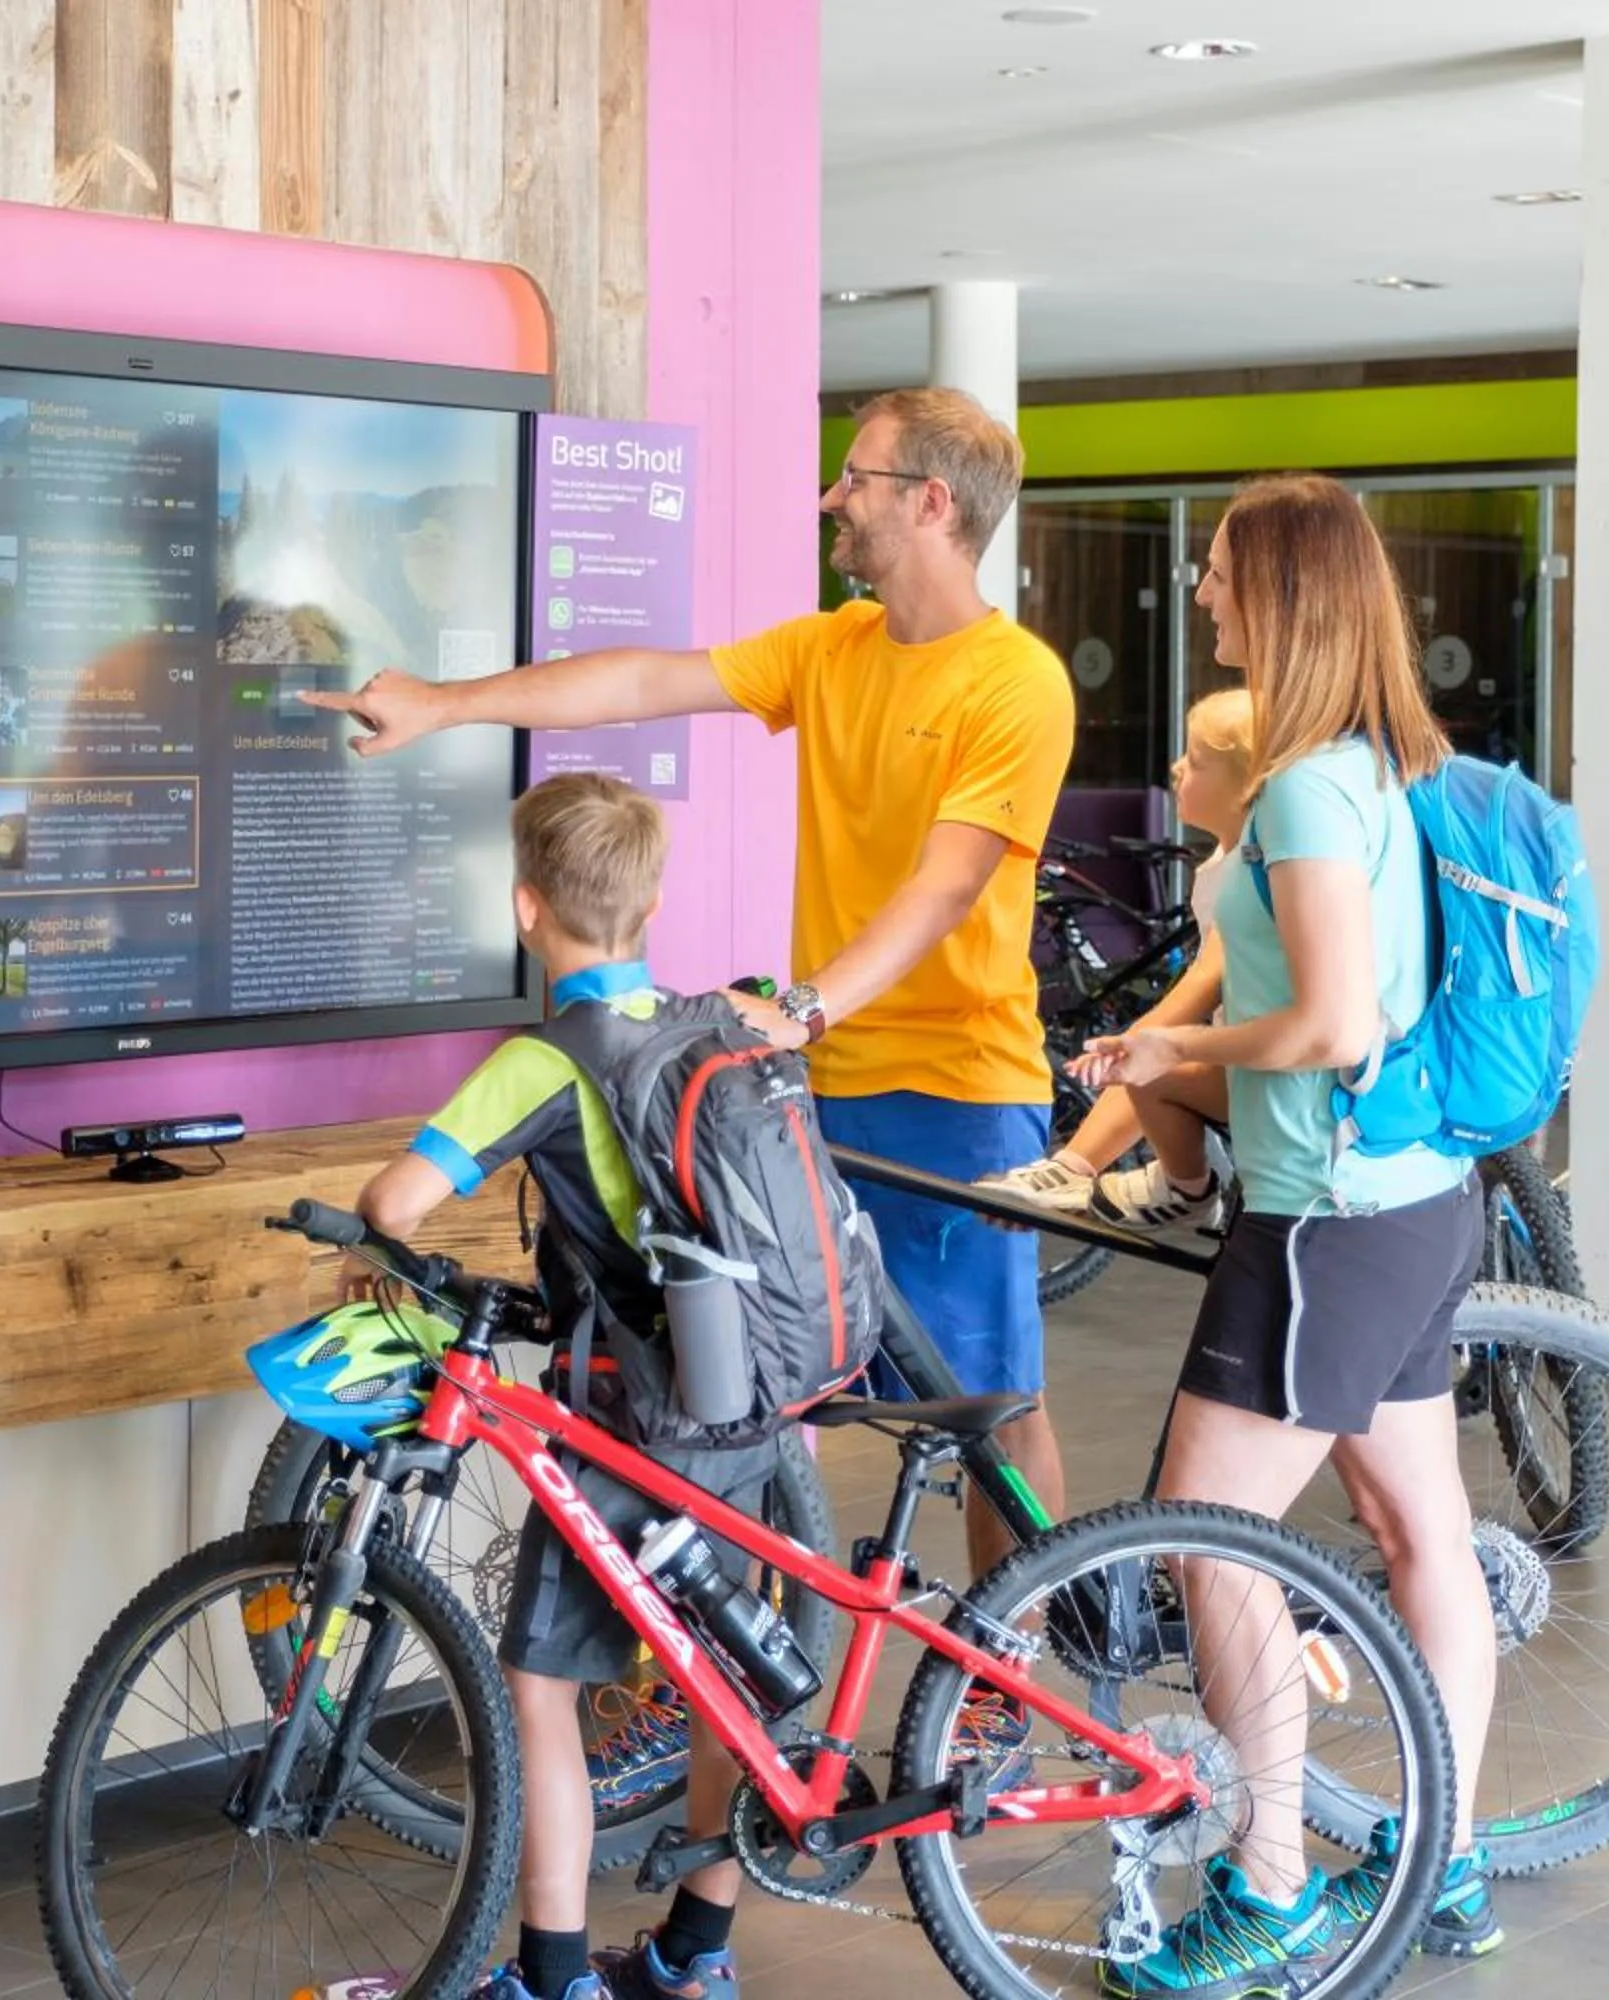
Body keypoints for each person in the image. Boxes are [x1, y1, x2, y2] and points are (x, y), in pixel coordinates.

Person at [307, 386, 1077, 1783]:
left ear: (932, 504)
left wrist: (808, 1002)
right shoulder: (835, 649)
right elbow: (641, 678)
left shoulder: (1014, 680)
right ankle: (717, 1673)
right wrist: (450, 707)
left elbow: (948, 879)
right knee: (750, 1406)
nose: (833, 498)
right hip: (802, 1094)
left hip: (956, 1089)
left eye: (859, 478)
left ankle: (1008, 1670)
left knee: (990, 1402)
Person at [1074, 475, 1504, 1996]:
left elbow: (1333, 1020)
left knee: (1208, 1544)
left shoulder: (1314, 780)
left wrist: (1179, 1062)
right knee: (1420, 1534)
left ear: (1284, 593)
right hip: (1417, 1206)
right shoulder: (1385, 761)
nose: (1199, 593)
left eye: (1219, 572)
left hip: (1327, 1223)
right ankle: (1442, 1857)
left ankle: (1265, 1889)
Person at [347, 773, 771, 2000]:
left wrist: (360, 1246)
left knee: (541, 1684)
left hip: (626, 1418)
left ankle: (550, 1975)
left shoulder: (547, 1055)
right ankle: (696, 1954)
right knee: (713, 1677)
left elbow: (395, 1204)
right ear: (644, 903)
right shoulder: (712, 1022)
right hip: (737, 1393)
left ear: (527, 909)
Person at [978, 687, 1255, 1229]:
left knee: (1151, 1064)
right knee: (1151, 1060)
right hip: (1240, 1056)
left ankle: (1186, 1184)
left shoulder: (1248, 871)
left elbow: (1207, 979)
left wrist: (1142, 1043)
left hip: (1258, 1065)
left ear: (1245, 788)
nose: (1177, 769)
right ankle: (1079, 1168)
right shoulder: (1223, 863)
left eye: (1196, 762)